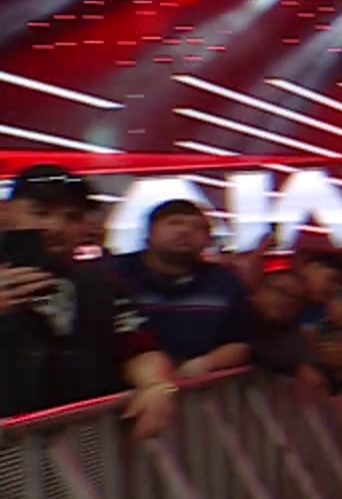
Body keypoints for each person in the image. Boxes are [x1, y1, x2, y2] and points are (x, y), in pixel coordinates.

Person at [0, 165, 179, 435]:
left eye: (72, 217)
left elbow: (137, 345)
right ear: (6, 214)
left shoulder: (102, 284)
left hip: (82, 443)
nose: (55, 227)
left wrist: (158, 386)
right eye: (40, 212)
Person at [110, 199, 252, 377]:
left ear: (208, 240)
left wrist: (208, 363)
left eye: (197, 227)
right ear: (149, 232)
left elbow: (242, 342)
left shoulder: (224, 282)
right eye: (174, 223)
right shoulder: (111, 274)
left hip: (198, 384)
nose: (185, 231)